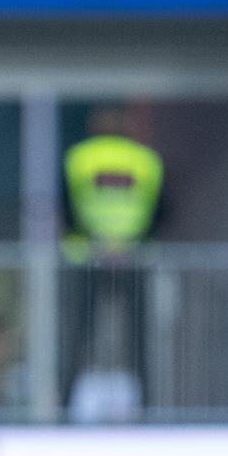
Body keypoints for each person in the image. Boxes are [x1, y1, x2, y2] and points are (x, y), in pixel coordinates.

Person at [59, 107, 163, 419]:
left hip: (87, 259)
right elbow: (160, 209)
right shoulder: (144, 160)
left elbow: (66, 208)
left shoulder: (80, 158)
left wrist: (97, 242)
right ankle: (148, 407)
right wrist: (129, 243)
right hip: (133, 258)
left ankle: (65, 405)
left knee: (78, 336)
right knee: (139, 339)